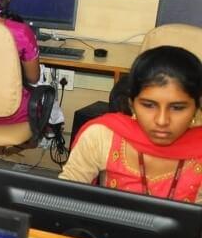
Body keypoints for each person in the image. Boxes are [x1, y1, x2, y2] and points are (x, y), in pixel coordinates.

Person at [62, 46, 202, 214]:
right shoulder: (102, 135)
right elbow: (63, 200)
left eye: (177, 108)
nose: (162, 120)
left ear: (196, 108)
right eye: (148, 105)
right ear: (132, 105)